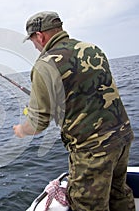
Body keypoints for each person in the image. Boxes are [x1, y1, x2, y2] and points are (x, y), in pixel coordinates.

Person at [13, 11, 135, 211]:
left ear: (40, 36)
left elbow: (38, 122)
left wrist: (22, 130)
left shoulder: (44, 65)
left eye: (33, 41)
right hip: (122, 138)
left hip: (92, 150)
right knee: (119, 193)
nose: (35, 47)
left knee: (87, 205)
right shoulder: (93, 49)